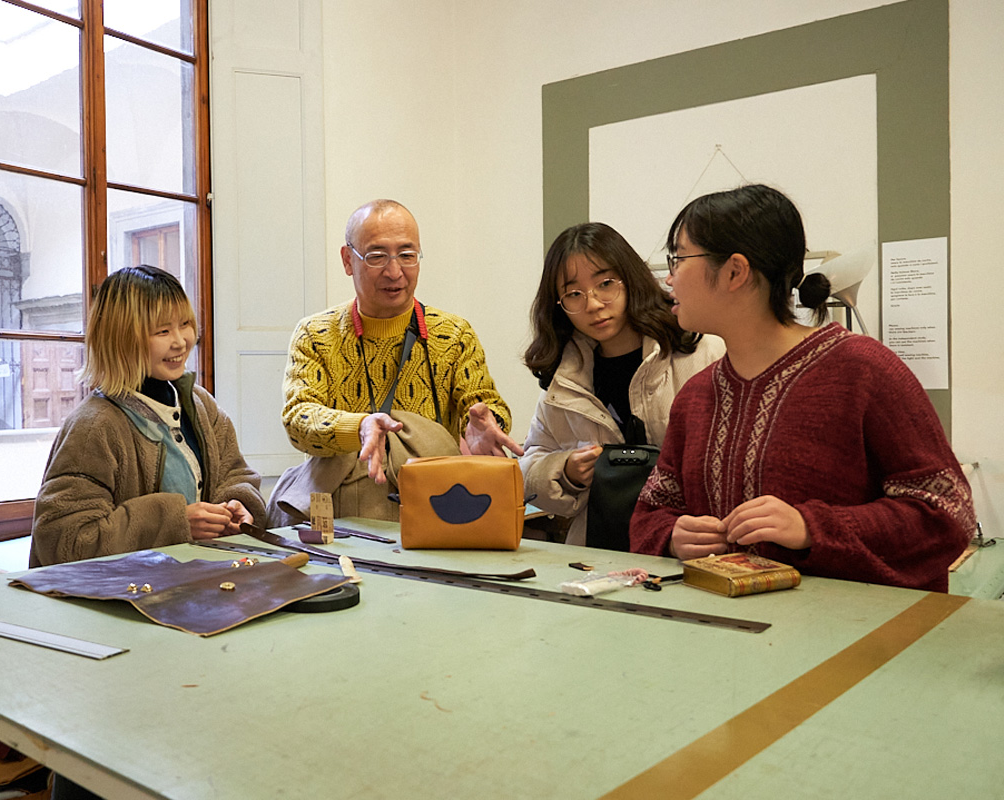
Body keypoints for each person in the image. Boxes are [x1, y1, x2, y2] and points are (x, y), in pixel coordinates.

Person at [629, 184, 974, 591]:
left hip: (855, 643)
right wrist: (672, 536)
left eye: (679, 258)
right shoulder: (696, 396)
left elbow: (947, 512)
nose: (668, 279)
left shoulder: (864, 370)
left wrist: (812, 527)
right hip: (725, 641)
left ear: (735, 271)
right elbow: (651, 513)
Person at [271, 199, 520, 524]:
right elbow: (298, 419)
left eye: (407, 255)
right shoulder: (316, 334)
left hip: (433, 511)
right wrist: (358, 427)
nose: (394, 271)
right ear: (348, 260)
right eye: (376, 256)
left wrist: (489, 424)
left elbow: (483, 406)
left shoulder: (454, 334)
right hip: (340, 519)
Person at [30, 265, 265, 567]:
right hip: (119, 601)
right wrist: (175, 522)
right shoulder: (95, 426)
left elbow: (236, 475)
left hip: (195, 583)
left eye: (185, 324)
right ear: (122, 338)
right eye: (163, 331)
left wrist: (240, 507)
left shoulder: (200, 404)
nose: (181, 341)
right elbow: (65, 541)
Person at [520, 222, 724, 547]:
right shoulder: (565, 378)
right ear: (557, 305)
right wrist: (566, 471)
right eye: (573, 294)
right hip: (599, 553)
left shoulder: (702, 351)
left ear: (629, 279)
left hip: (691, 545)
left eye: (605, 284)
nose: (593, 304)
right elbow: (530, 466)